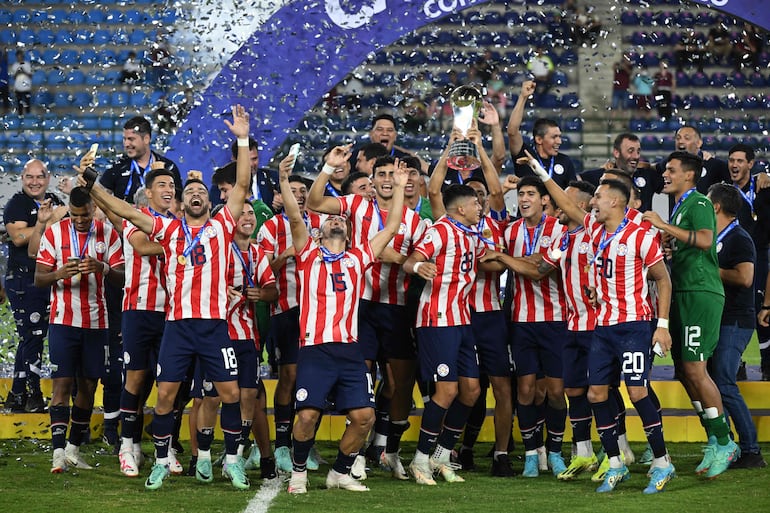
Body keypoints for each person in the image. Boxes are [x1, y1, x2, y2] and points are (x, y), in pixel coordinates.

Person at [79, 104, 253, 490]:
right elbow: (127, 213)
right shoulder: (169, 229)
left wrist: (241, 139)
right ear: (181, 202)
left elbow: (241, 186)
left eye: (198, 191)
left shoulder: (223, 226)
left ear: (208, 200)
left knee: (231, 393)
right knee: (165, 397)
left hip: (213, 325)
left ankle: (233, 461)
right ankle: (160, 460)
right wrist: (94, 187)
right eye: (187, 191)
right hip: (176, 326)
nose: (193, 194)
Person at [527, 158, 676, 493]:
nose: (592, 202)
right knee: (596, 393)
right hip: (603, 329)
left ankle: (663, 462)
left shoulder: (641, 236)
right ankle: (616, 463)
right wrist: (538, 169)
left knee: (637, 392)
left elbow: (663, 281)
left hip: (635, 326)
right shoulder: (595, 229)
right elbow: (565, 203)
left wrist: (662, 325)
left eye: (597, 197)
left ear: (614, 202)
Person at [279, 149, 408, 495]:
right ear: (319, 232)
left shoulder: (358, 257)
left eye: (341, 221)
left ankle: (340, 471)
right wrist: (319, 170)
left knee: (364, 416)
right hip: (315, 349)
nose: (336, 220)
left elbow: (393, 226)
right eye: (331, 220)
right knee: (307, 416)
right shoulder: (307, 254)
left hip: (350, 350)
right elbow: (297, 214)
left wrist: (398, 188)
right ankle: (300, 472)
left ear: (350, 235)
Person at [643, 151, 739, 478]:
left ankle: (725, 442)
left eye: (671, 170)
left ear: (688, 175)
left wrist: (663, 226)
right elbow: (692, 243)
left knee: (696, 369)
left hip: (700, 292)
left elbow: (706, 240)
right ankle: (713, 436)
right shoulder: (683, 206)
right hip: (683, 292)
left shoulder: (698, 202)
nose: (665, 174)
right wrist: (671, 245)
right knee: (684, 371)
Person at [428, 124, 514, 477]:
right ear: (460, 205)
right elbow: (434, 191)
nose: (480, 201)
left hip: (489, 313)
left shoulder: (493, 223)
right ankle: (446, 449)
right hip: (456, 314)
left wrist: (479, 149)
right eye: (473, 197)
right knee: (460, 389)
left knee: (498, 384)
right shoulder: (447, 224)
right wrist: (451, 149)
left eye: (482, 197)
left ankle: (502, 454)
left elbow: (496, 189)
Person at [402, 183, 489, 486]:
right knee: (448, 391)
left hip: (462, 320)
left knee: (472, 391)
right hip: (437, 319)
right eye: (476, 203)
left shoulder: (471, 234)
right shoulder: (440, 230)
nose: (481, 207)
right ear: (461, 208)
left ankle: (441, 456)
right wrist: (419, 268)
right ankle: (420, 459)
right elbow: (411, 259)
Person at [34, 187, 125, 473]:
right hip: (62, 321)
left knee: (88, 386)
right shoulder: (54, 233)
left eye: (84, 215)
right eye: (74, 215)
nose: (79, 220)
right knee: (61, 384)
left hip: (97, 323)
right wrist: (58, 274)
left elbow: (123, 278)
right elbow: (38, 278)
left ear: (92, 209)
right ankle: (57, 452)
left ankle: (73, 449)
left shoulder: (107, 234)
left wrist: (103, 268)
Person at [257, 175, 325, 474]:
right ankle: (283, 445)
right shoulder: (271, 227)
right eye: (293, 191)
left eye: (303, 192)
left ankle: (303, 444)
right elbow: (262, 270)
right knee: (289, 375)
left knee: (316, 377)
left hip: (320, 310)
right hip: (287, 309)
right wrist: (286, 254)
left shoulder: (323, 222)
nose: (298, 196)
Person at [538, 180, 600, 481]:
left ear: (582, 207)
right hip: (572, 324)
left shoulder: (597, 234)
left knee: (604, 391)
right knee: (573, 389)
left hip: (599, 326)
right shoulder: (562, 238)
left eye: (567, 201)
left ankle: (618, 452)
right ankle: (583, 451)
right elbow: (539, 268)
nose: (559, 206)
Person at [706, 184, 766, 469]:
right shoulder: (715, 236)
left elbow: (745, 277)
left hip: (736, 319)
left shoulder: (739, 237)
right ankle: (725, 443)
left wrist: (708, 269)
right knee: (713, 381)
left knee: (724, 382)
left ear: (716, 206)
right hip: (719, 318)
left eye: (707, 202)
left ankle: (751, 451)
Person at [2, 160, 66, 412]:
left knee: (33, 337)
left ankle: (19, 394)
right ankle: (33, 393)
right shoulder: (17, 204)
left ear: (48, 178)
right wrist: (47, 222)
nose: (35, 181)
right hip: (22, 279)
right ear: (22, 177)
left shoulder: (55, 200)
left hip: (48, 277)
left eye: (40, 177)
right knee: (32, 336)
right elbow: (18, 238)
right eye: (30, 177)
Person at [726, 144, 770, 380]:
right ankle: (736, 363)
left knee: (763, 311)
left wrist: (767, 175)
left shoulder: (764, 188)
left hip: (760, 257)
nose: (734, 165)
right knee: (732, 312)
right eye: (731, 160)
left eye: (740, 161)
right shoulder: (724, 191)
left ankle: (767, 363)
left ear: (751, 164)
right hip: (733, 260)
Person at [508, 81, 577, 189]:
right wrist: (523, 97)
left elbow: (573, 193)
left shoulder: (565, 161)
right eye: (554, 137)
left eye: (559, 136)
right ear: (539, 139)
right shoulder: (525, 156)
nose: (559, 141)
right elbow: (512, 132)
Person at [99, 116, 183, 202]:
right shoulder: (117, 167)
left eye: (131, 139)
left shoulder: (168, 167)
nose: (126, 144)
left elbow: (178, 203)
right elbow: (101, 200)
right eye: (124, 139)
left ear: (146, 139)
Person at [580, 133, 660, 212]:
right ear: (616, 153)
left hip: (641, 224)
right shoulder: (603, 176)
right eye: (630, 151)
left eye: (638, 151)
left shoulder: (647, 174)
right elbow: (572, 181)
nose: (636, 156)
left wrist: (649, 166)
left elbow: (668, 166)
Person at [9, 50, 32, 115]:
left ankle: (28, 117)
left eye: (20, 56)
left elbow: (30, 76)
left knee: (27, 104)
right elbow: (14, 77)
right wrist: (17, 72)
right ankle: (20, 116)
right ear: (16, 57)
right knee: (19, 104)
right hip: (18, 88)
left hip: (26, 87)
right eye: (18, 57)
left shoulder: (27, 64)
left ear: (23, 56)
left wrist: (24, 71)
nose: (19, 58)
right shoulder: (14, 65)